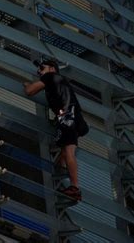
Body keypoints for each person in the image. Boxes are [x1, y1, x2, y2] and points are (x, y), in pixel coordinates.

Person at [23, 59, 88, 201]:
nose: (39, 71)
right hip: (75, 119)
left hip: (67, 118)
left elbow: (30, 91)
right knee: (65, 152)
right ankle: (62, 176)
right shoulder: (61, 82)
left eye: (42, 68)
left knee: (69, 152)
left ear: (52, 69)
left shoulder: (50, 77)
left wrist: (26, 84)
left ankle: (74, 187)